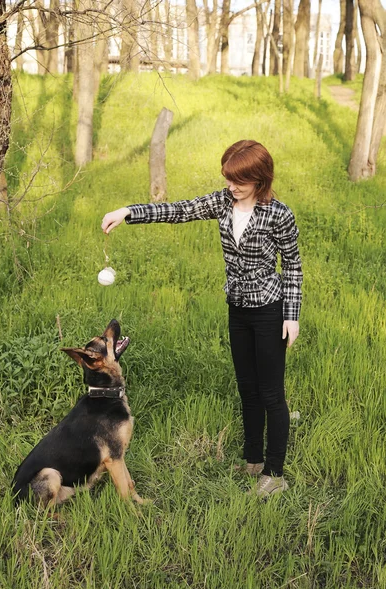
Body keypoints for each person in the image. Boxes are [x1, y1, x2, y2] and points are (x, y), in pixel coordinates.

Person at [101, 140, 303, 498]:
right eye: (227, 178)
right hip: (237, 309)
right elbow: (179, 210)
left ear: (259, 178)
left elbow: (293, 266)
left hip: (270, 309)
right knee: (247, 387)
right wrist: (129, 212)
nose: (231, 187)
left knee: (271, 392)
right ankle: (253, 458)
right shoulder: (223, 202)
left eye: (238, 180)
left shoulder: (279, 214)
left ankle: (275, 472)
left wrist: (292, 316)